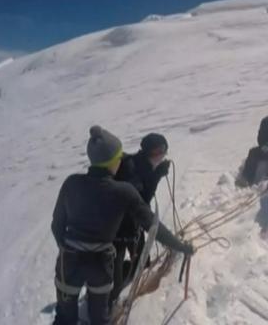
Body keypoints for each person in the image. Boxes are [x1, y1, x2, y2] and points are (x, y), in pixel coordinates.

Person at [51, 126, 193, 325]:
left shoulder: (71, 183)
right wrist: (180, 246)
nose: (121, 161)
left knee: (65, 319)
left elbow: (57, 225)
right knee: (99, 319)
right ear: (112, 162)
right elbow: (153, 227)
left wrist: (67, 249)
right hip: (100, 265)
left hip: (68, 264)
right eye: (119, 157)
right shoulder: (123, 191)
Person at [109, 133, 171, 306]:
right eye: (158, 151)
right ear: (148, 152)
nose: (162, 155)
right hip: (118, 231)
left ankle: (127, 277)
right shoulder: (131, 169)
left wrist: (155, 174)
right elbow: (140, 203)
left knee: (144, 264)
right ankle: (109, 304)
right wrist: (156, 176)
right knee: (115, 284)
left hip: (133, 227)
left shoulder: (144, 164)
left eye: (164, 151)